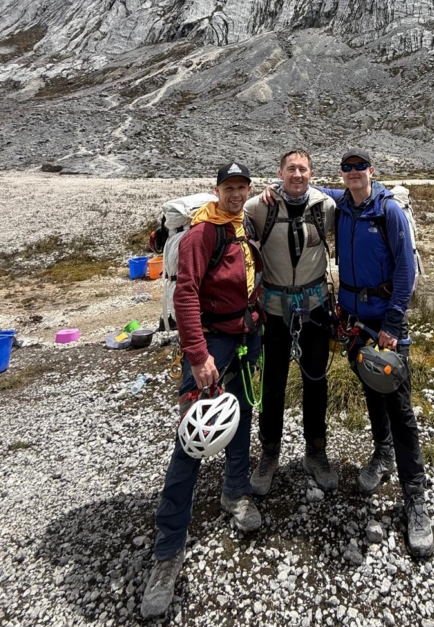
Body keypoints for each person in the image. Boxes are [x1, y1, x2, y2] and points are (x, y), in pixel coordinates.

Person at [141, 162, 264, 619]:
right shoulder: (201, 234)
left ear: (248, 191)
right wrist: (197, 354)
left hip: (247, 336)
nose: (235, 194)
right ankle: (168, 549)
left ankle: (235, 492)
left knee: (240, 418)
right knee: (192, 437)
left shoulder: (243, 224)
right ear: (217, 191)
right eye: (229, 188)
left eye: (242, 188)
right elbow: (185, 294)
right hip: (211, 343)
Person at [322, 148, 434, 559]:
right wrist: (277, 188)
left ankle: (415, 500)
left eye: (360, 167)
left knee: (400, 409)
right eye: (347, 168)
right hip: (353, 321)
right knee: (371, 389)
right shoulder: (341, 204)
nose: (354, 174)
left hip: (385, 324)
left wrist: (392, 324)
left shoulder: (387, 212)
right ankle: (382, 453)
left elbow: (405, 269)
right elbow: (309, 187)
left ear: (372, 171)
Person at [244, 149, 338, 494]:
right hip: (275, 311)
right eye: (290, 169)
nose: (297, 175)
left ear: (312, 173)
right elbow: (228, 213)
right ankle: (269, 452)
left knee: (316, 380)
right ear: (280, 173)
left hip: (315, 309)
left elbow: (360, 195)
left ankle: (316, 451)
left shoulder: (326, 206)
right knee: (273, 384)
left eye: (303, 169)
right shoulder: (259, 207)